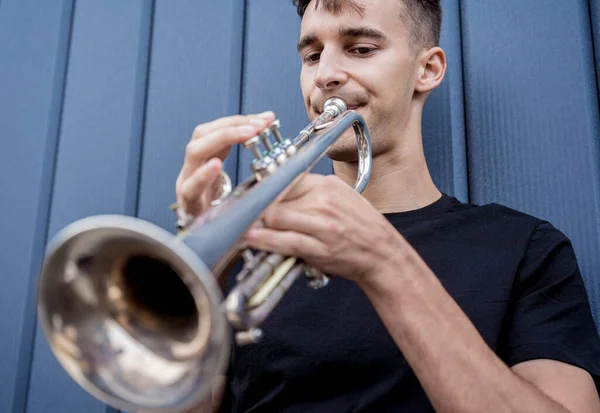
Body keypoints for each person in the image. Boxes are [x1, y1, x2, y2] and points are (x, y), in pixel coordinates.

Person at [172, 0, 600, 412]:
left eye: (360, 49)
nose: (325, 74)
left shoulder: (524, 248)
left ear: (427, 69)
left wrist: (385, 262)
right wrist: (193, 272)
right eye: (312, 54)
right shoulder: (247, 254)